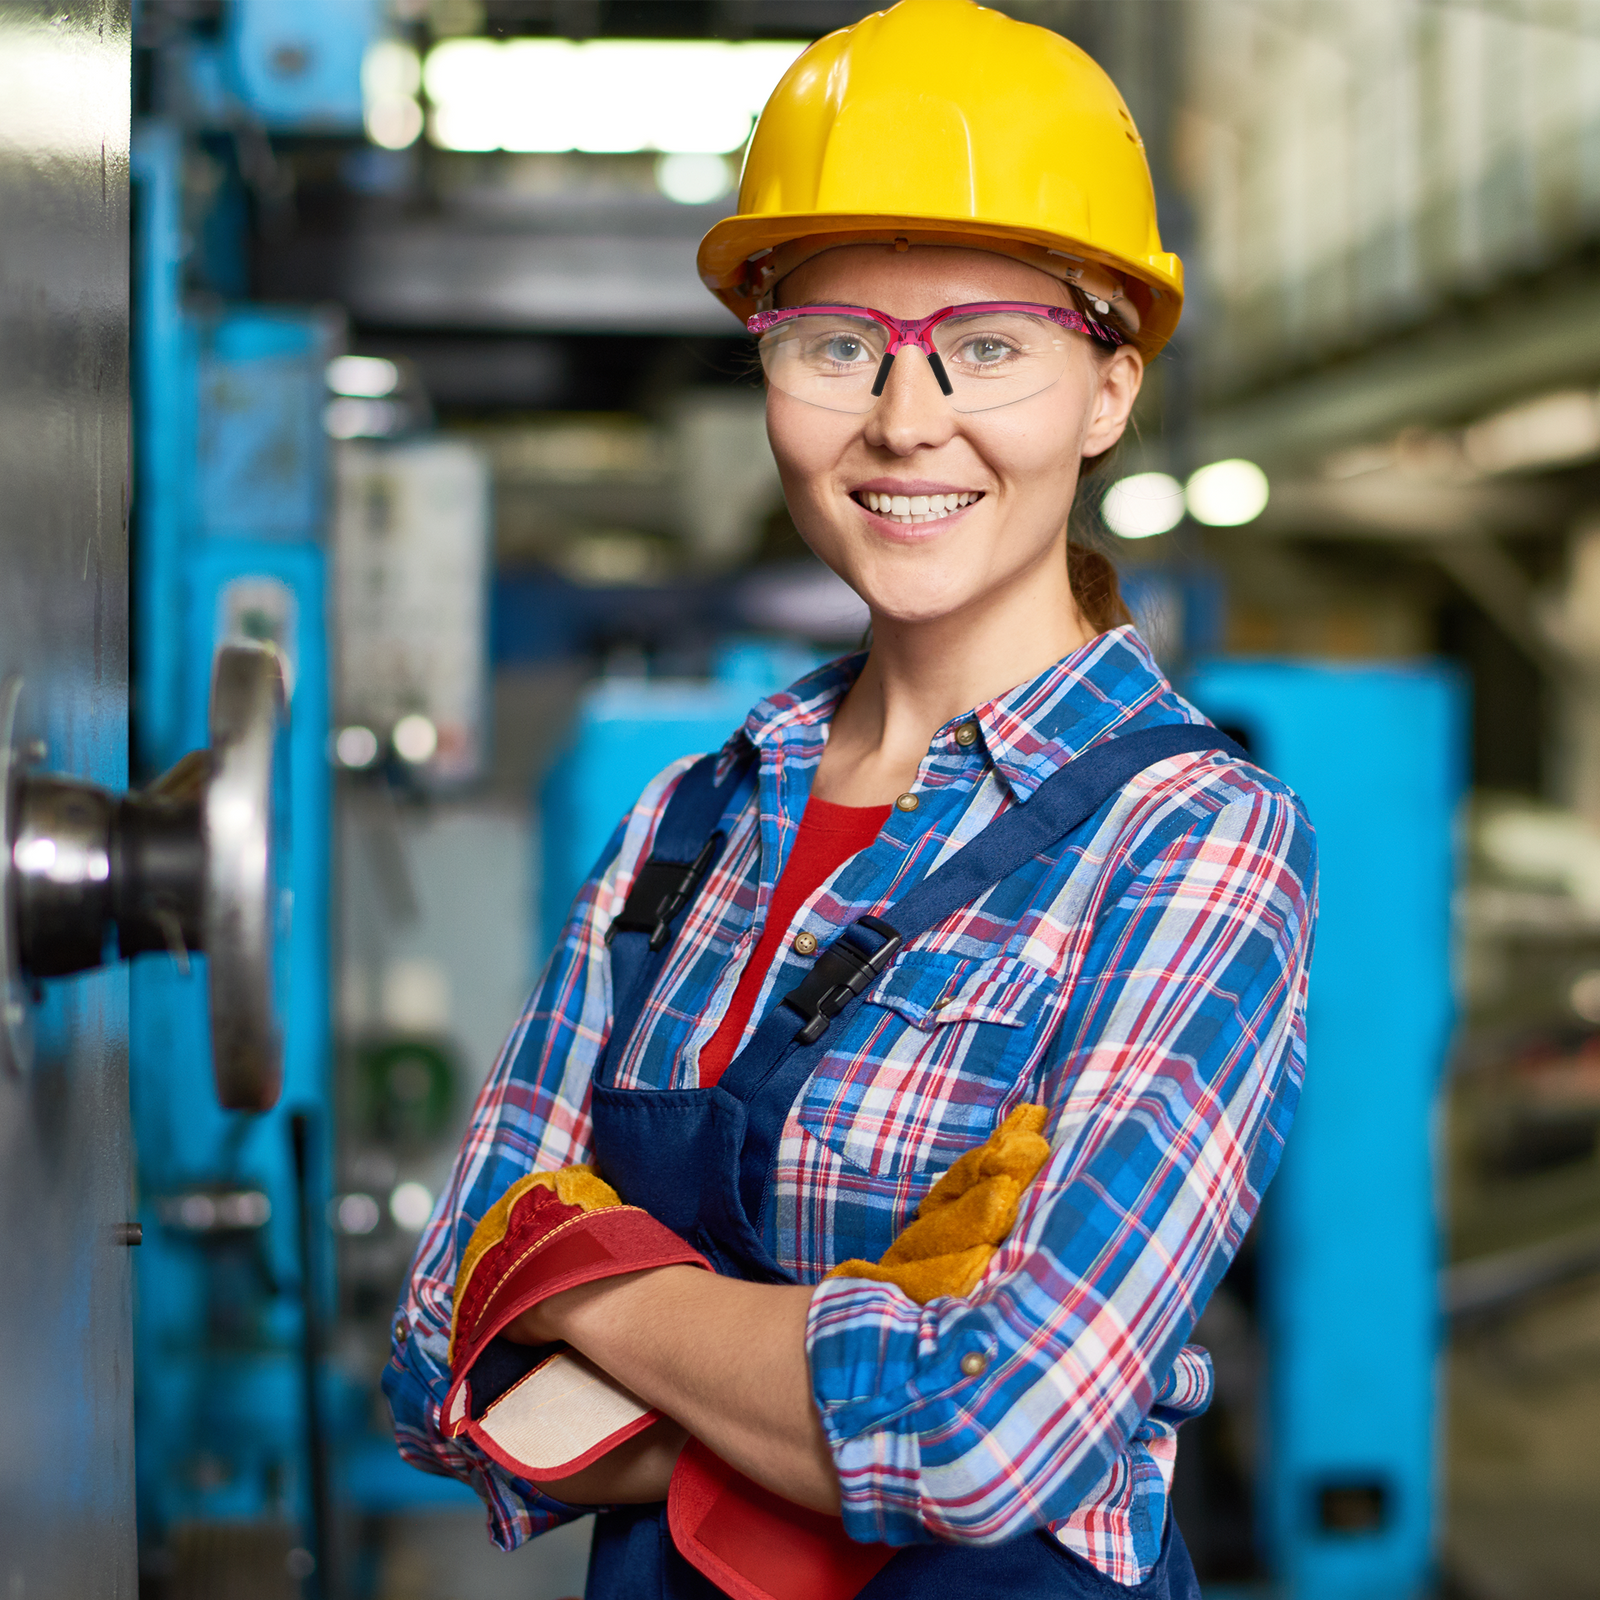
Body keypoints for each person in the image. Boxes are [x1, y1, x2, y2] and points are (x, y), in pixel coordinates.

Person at [385, 2, 1317, 1595]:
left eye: (991, 347)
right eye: (837, 346)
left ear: (1108, 390)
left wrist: (580, 1278)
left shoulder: (1192, 840)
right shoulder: (688, 819)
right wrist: (827, 1398)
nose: (905, 418)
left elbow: (992, 1435)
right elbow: (432, 1358)